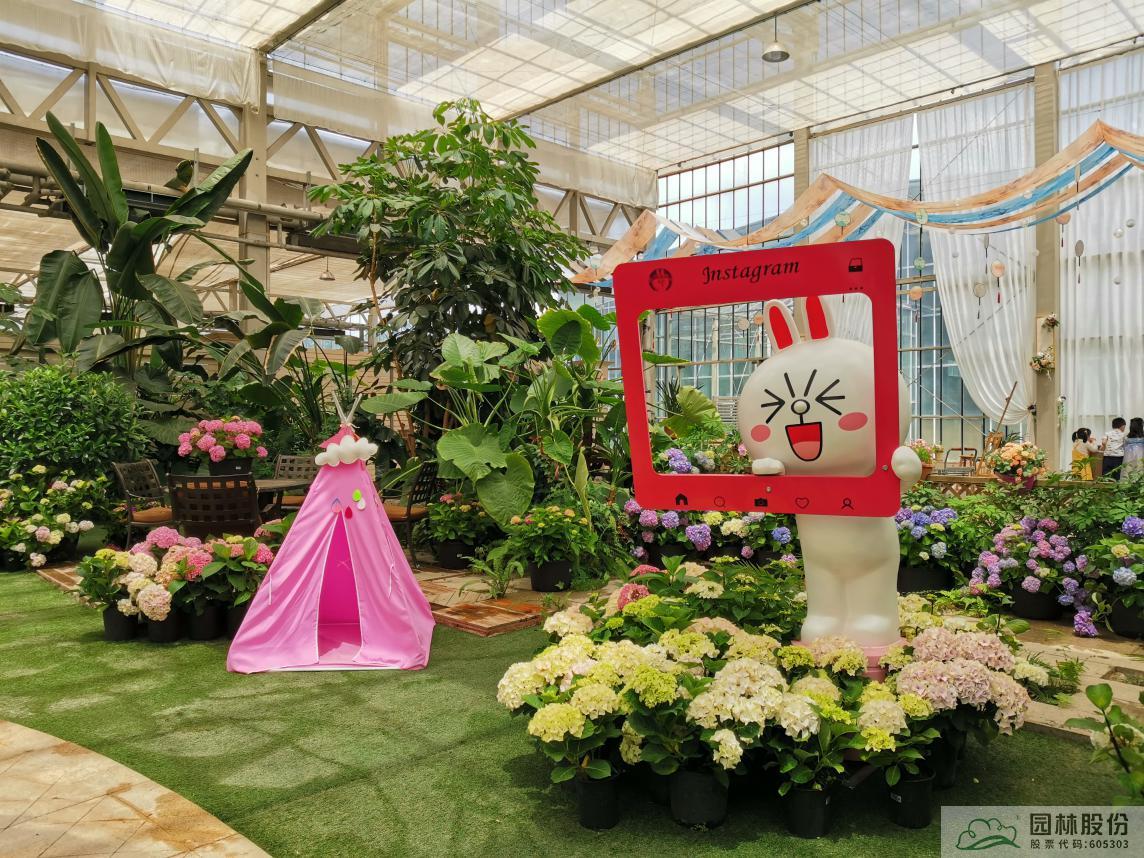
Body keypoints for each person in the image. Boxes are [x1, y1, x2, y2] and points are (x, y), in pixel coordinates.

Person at [1122, 417, 1144, 482]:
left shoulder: (1126, 436)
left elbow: (1124, 446)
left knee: (1128, 470)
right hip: (1141, 454)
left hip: (1129, 455)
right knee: (1140, 469)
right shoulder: (1142, 436)